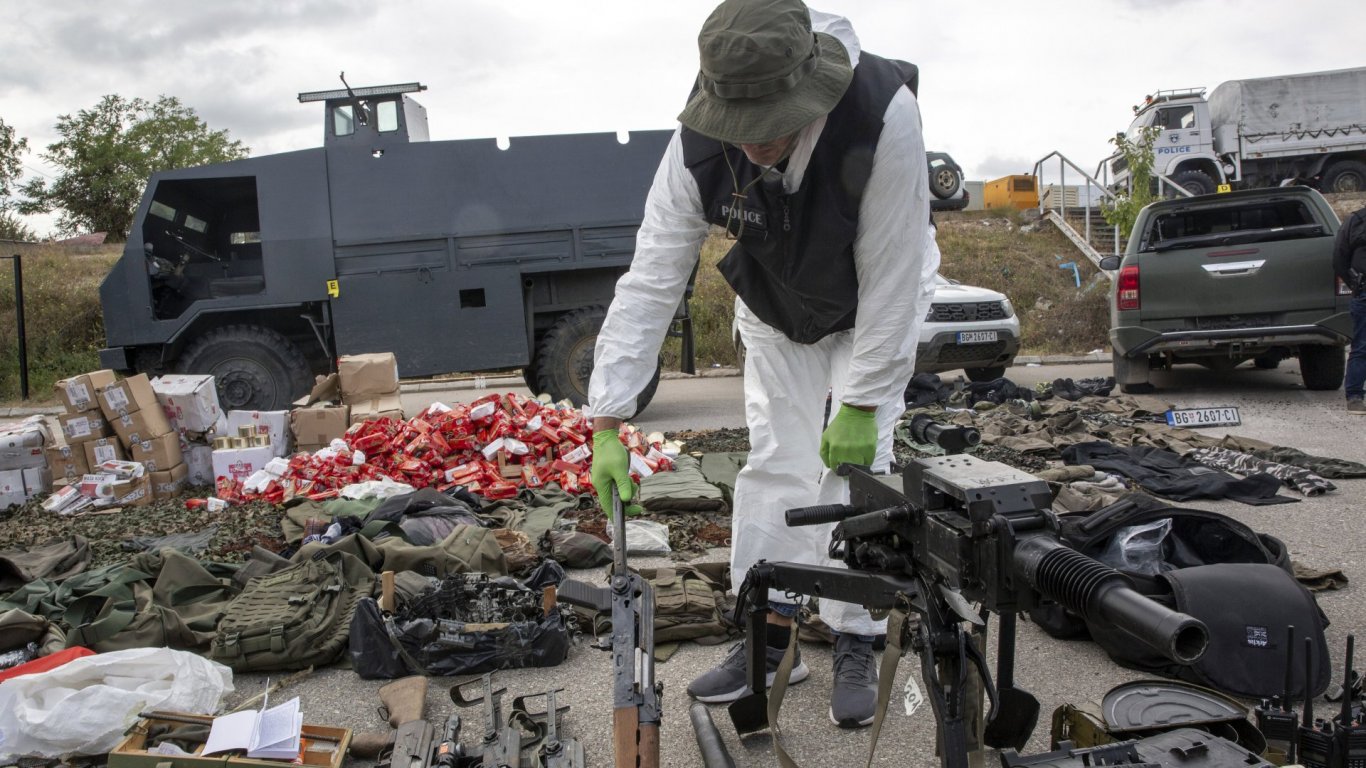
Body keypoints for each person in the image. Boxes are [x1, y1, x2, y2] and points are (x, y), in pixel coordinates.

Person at [586, 0, 938, 729]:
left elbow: (894, 272)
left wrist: (865, 399)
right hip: (778, 306)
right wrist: (609, 417)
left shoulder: (883, 113)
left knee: (858, 467)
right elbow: (654, 274)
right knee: (775, 460)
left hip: (872, 303)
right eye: (740, 130)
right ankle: (768, 636)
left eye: (772, 126)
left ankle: (855, 635)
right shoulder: (694, 145)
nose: (755, 146)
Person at [1334, 204, 1366, 414]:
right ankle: (1354, 396)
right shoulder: (1356, 221)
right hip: (1364, 293)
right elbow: (1339, 259)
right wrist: (1355, 285)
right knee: (1362, 346)